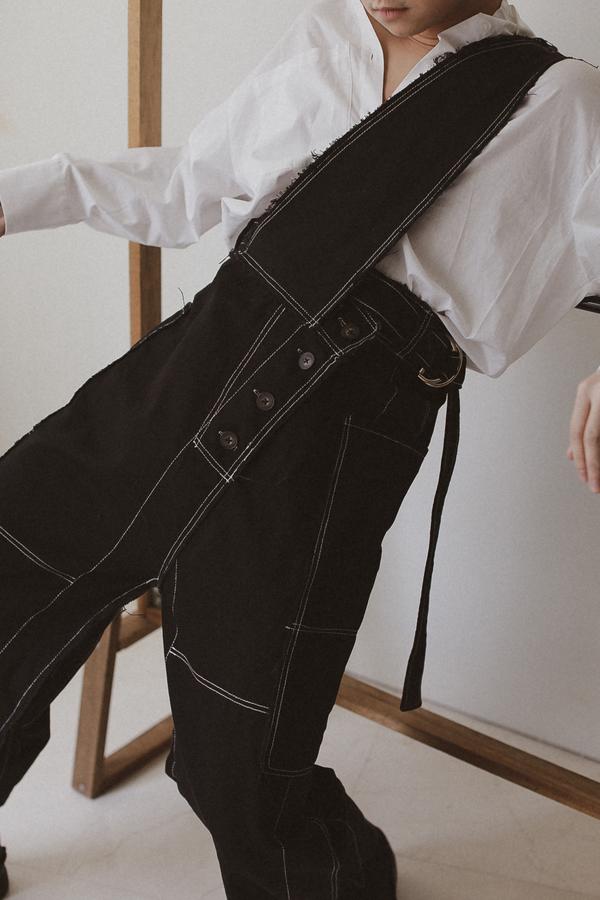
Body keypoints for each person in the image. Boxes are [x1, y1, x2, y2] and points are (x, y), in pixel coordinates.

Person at [0, 2, 599, 898]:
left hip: (343, 426)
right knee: (15, 554)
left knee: (242, 738)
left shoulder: (561, 98)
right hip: (203, 356)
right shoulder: (324, 41)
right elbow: (191, 185)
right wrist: (22, 194)